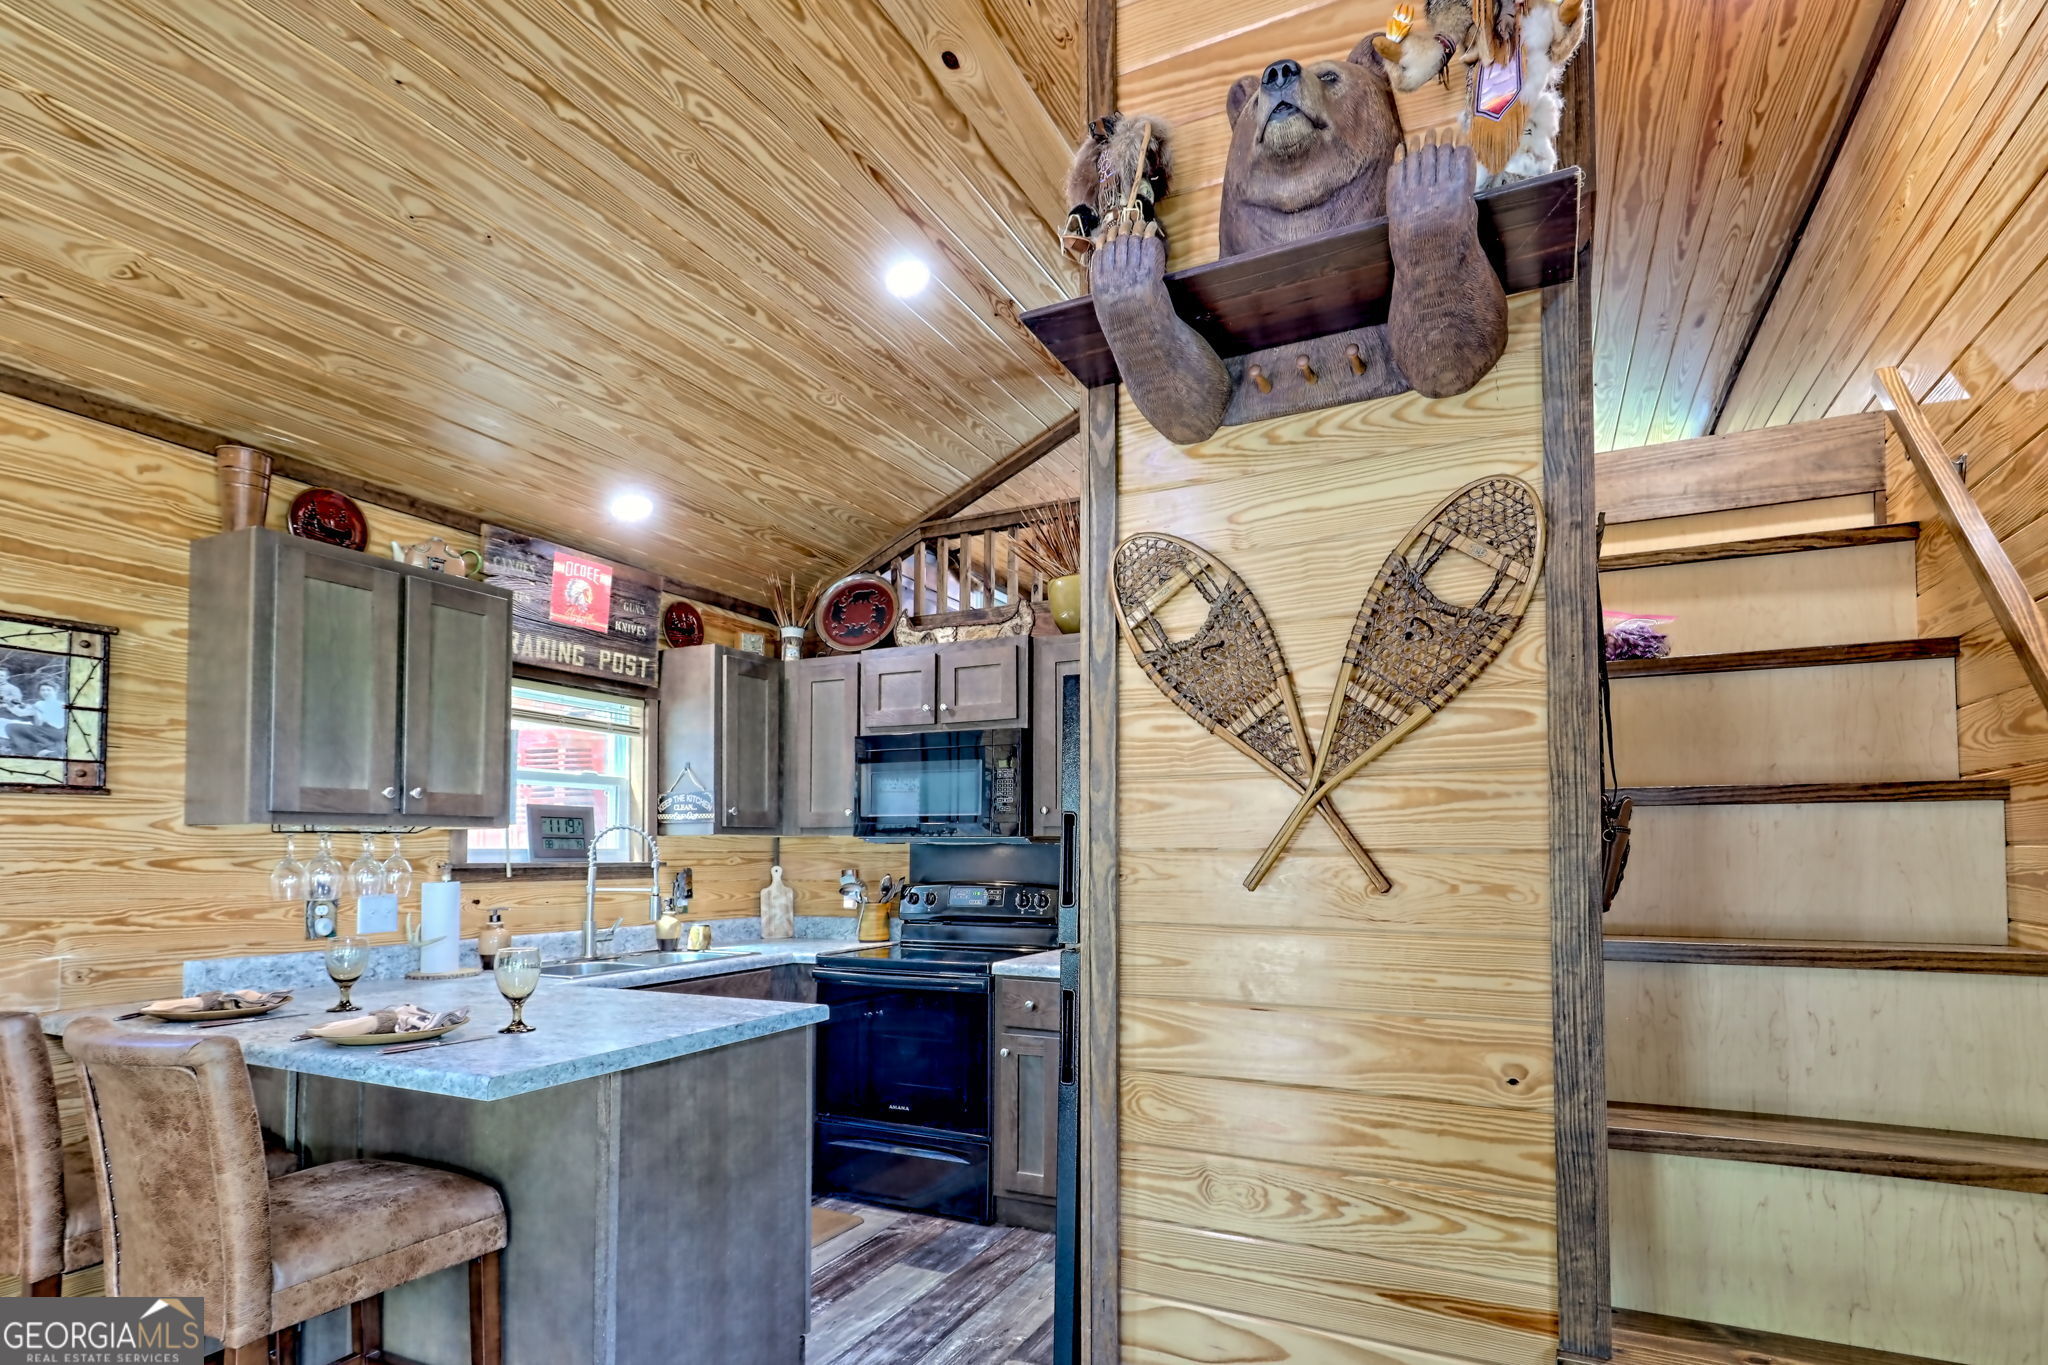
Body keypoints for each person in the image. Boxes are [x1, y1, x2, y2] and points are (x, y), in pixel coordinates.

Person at [3, 681, 65, 758]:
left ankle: (47, 746)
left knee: (30, 730)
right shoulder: (40, 703)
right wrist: (10, 705)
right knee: (11, 727)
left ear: (55, 691)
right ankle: (43, 750)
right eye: (42, 690)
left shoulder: (61, 704)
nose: (45, 692)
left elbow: (58, 723)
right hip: (42, 730)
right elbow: (22, 713)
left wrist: (40, 712)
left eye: (48, 690)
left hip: (58, 731)